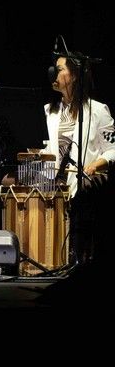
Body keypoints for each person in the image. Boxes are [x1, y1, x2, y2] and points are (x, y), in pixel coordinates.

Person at [43, 52, 115, 265]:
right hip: (56, 183)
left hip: (83, 183)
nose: (54, 73)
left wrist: (94, 165)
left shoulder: (98, 110)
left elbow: (112, 149)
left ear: (74, 76)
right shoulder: (51, 112)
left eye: (60, 68)